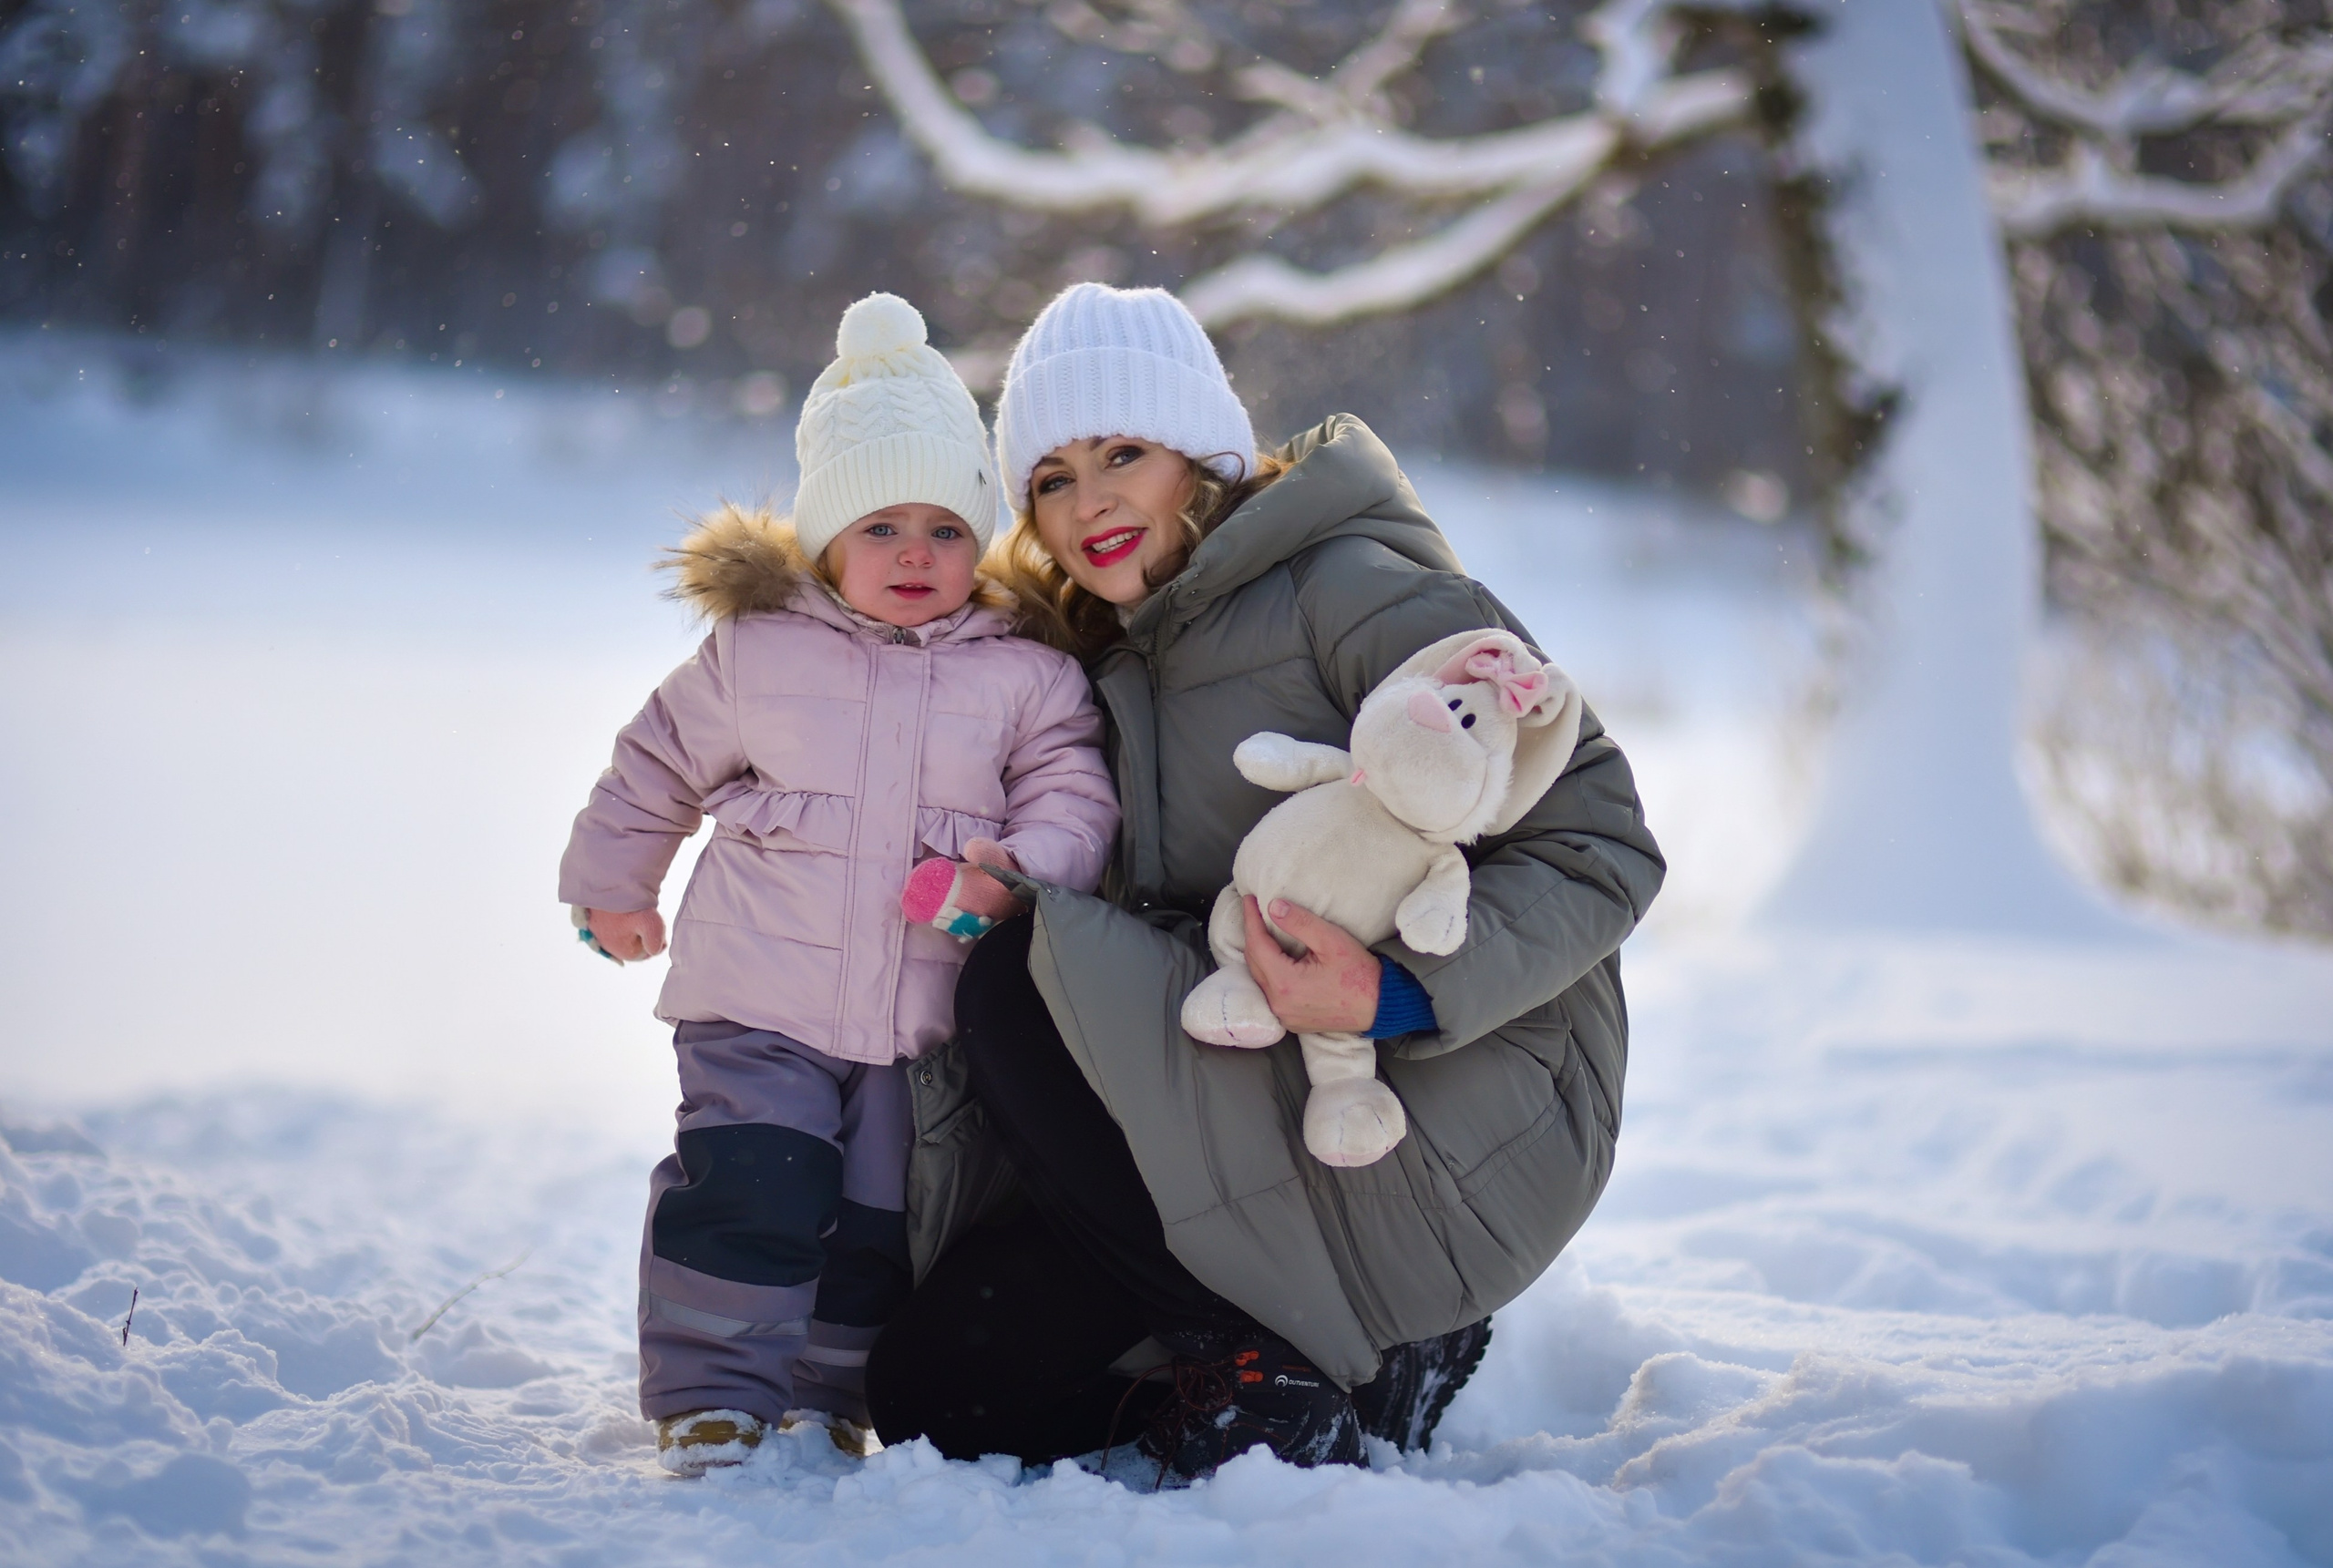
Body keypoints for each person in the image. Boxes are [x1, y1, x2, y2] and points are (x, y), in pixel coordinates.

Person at [865, 282, 1665, 1481]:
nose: (1090, 504)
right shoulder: (1112, 656)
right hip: (1266, 1083)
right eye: (1053, 479)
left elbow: (1602, 842)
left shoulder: (1347, 586)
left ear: (1202, 454)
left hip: (1460, 1101)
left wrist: (1392, 992)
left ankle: (1259, 1369)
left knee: (1018, 984)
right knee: (935, 1390)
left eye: (1123, 454)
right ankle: (1343, 1367)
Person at [557, 293, 1118, 1474]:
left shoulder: (1027, 679)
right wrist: (614, 880)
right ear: (824, 543)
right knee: (752, 1181)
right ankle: (713, 1394)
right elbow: (656, 763)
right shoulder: (757, 654)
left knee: (879, 1216)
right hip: (754, 998)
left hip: (921, 1021)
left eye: (946, 528)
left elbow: (1076, 801)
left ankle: (824, 1396)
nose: (916, 553)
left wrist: (1015, 874)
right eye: (881, 526)